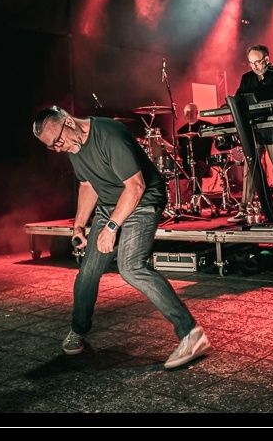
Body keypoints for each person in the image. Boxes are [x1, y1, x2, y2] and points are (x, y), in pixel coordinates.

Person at [32, 105, 210, 368]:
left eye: (58, 142)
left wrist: (111, 228)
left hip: (143, 200)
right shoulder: (73, 145)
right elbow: (87, 184)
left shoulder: (110, 134)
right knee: (88, 271)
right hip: (109, 205)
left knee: (131, 267)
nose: (58, 149)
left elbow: (136, 187)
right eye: (52, 147)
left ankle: (191, 334)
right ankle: (78, 330)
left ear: (69, 123)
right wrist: (79, 226)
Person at [227, 44, 273, 224]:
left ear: (267, 59)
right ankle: (245, 209)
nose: (254, 66)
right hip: (254, 129)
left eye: (257, 62)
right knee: (250, 168)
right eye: (251, 63)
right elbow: (237, 101)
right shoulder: (247, 78)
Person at [176, 103, 215, 212]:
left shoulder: (206, 126)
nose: (188, 114)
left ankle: (196, 200)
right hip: (186, 163)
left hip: (203, 161)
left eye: (191, 111)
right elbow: (179, 150)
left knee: (196, 169)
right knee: (170, 171)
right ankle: (176, 204)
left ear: (196, 112)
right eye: (186, 112)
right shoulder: (181, 131)